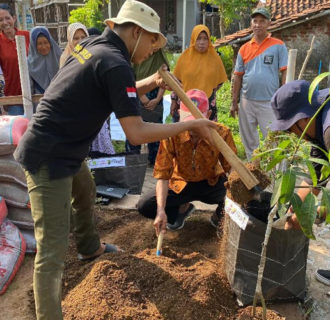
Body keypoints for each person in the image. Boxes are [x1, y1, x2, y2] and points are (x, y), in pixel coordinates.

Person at [13, 1, 217, 319]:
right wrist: (191, 124)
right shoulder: (115, 62)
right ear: (136, 32)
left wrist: (149, 83)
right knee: (51, 251)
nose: (153, 50)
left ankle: (89, 247)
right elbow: (136, 133)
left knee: (85, 192)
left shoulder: (98, 46)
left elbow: (114, 89)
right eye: (152, 41)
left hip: (68, 147)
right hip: (48, 155)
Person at [138, 89, 237, 234]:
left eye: (195, 123)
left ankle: (218, 218)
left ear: (208, 116)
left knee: (239, 200)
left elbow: (233, 169)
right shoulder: (171, 134)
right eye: (187, 122)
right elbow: (163, 176)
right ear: (179, 115)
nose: (191, 128)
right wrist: (160, 210)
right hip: (180, 183)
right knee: (145, 205)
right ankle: (180, 210)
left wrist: (236, 192)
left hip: (211, 182)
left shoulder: (221, 133)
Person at [270, 80, 330, 292]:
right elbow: (316, 174)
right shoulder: (317, 119)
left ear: (302, 119)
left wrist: (319, 212)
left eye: (289, 127)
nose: (292, 134)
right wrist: (296, 208)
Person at [231, 7, 288, 160]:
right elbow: (237, 77)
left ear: (268, 23)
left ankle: (275, 175)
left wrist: (282, 98)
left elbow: (285, 73)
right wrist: (234, 102)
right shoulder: (244, 48)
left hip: (269, 102)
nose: (258, 24)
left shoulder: (278, 45)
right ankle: (254, 172)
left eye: (262, 21)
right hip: (246, 101)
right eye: (255, 21)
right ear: (251, 24)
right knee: (249, 141)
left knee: (273, 140)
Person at [171, 24, 227, 122]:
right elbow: (176, 81)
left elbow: (219, 81)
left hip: (207, 104)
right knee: (185, 134)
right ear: (193, 39)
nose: (202, 42)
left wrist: (206, 91)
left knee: (206, 134)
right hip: (185, 103)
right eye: (198, 38)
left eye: (205, 39)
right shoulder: (185, 57)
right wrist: (173, 101)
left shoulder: (215, 58)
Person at [126, 48, 169, 165]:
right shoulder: (134, 58)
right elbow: (129, 79)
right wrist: (142, 98)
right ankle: (133, 160)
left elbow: (165, 78)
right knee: (134, 128)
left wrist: (157, 99)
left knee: (155, 129)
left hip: (155, 97)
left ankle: (154, 160)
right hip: (136, 94)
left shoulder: (160, 58)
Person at [0, 3, 29, 115]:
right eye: (1, 20)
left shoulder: (27, 36)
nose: (5, 22)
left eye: (7, 18)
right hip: (13, 97)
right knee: (18, 131)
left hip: (33, 93)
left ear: (14, 18)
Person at [28, 26, 62, 95]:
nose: (43, 47)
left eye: (46, 42)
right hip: (39, 100)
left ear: (50, 43)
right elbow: (29, 89)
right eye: (39, 44)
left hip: (60, 97)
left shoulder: (61, 57)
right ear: (34, 46)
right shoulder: (28, 64)